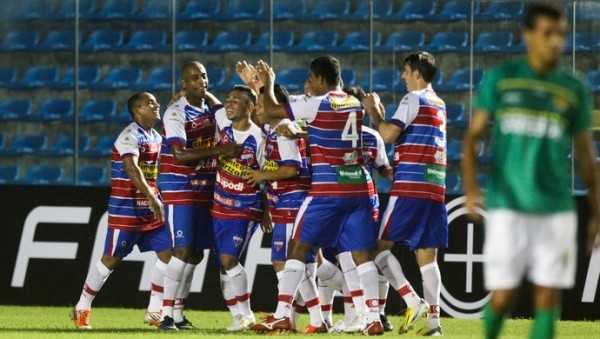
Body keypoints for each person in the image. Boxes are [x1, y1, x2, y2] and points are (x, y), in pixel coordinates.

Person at [461, 3, 600, 339]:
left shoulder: (573, 88)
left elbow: (585, 156)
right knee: (503, 296)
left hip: (556, 208)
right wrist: (470, 187)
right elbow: (472, 138)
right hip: (508, 205)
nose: (556, 42)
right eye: (547, 34)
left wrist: (596, 211)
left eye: (561, 35)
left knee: (548, 296)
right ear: (527, 36)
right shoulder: (502, 80)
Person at [252, 56, 384, 335]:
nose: (309, 85)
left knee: (298, 249)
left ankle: (281, 314)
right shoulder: (354, 104)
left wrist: (269, 82)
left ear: (322, 79)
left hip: (327, 189)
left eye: (311, 79)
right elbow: (324, 131)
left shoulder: (317, 102)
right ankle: (372, 316)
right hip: (358, 187)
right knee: (362, 255)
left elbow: (270, 110)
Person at [71, 92, 171, 330]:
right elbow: (132, 168)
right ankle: (82, 305)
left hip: (151, 210)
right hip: (126, 211)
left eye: (156, 102)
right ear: (137, 110)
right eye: (150, 103)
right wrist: (151, 197)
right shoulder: (129, 136)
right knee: (110, 260)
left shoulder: (156, 136)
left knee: (170, 255)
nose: (157, 105)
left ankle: (155, 310)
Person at [363, 51, 446, 336]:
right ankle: (434, 323)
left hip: (410, 186)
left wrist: (374, 109)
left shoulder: (414, 99)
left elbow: (387, 135)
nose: (402, 76)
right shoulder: (440, 103)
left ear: (417, 74)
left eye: (405, 71)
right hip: (435, 187)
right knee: (428, 257)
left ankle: (412, 300)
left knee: (377, 250)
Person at [154, 61, 240, 330]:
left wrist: (210, 97)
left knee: (195, 255)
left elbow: (219, 108)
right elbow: (179, 155)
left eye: (203, 76)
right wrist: (219, 150)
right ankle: (165, 314)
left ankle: (178, 314)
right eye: (194, 78)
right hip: (179, 186)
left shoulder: (211, 110)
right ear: (183, 84)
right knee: (181, 250)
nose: (201, 81)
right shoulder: (175, 113)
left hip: (204, 186)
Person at [212, 85, 264, 331]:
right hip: (219, 203)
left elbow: (268, 176)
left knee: (229, 258)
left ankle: (246, 314)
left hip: (245, 205)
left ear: (250, 107)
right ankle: (236, 315)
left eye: (236, 101)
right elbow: (210, 104)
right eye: (227, 100)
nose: (229, 104)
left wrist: (268, 209)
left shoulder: (259, 138)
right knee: (224, 262)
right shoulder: (223, 124)